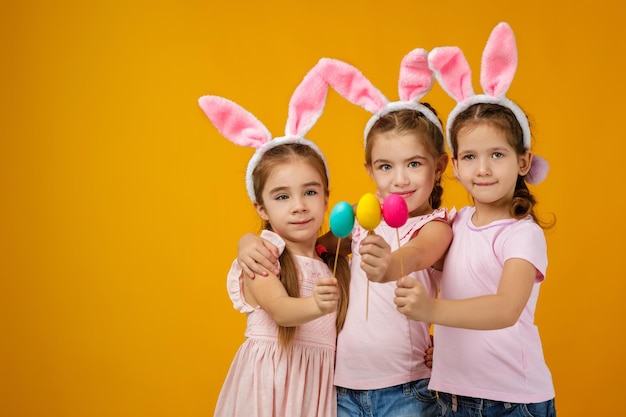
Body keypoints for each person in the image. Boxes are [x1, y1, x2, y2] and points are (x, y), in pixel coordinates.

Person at [237, 50, 452, 417]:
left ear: (440, 166)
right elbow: (310, 248)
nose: (399, 179)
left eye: (414, 164)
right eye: (386, 166)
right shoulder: (358, 218)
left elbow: (416, 255)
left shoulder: (434, 227)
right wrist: (250, 241)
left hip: (405, 388)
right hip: (338, 388)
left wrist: (389, 265)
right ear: (370, 170)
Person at [394, 22, 557, 416]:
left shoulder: (523, 234)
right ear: (454, 164)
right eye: (470, 156)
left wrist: (433, 314)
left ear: (523, 161)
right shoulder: (456, 223)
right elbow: (422, 257)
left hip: (510, 401)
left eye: (497, 155)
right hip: (452, 396)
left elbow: (504, 309)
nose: (482, 168)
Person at [198, 64, 351, 417]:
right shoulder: (265, 257)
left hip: (314, 392)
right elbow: (282, 311)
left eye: (310, 192)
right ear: (261, 207)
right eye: (281, 197)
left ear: (327, 197)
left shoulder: (334, 259)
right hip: (269, 389)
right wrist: (317, 304)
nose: (298, 206)